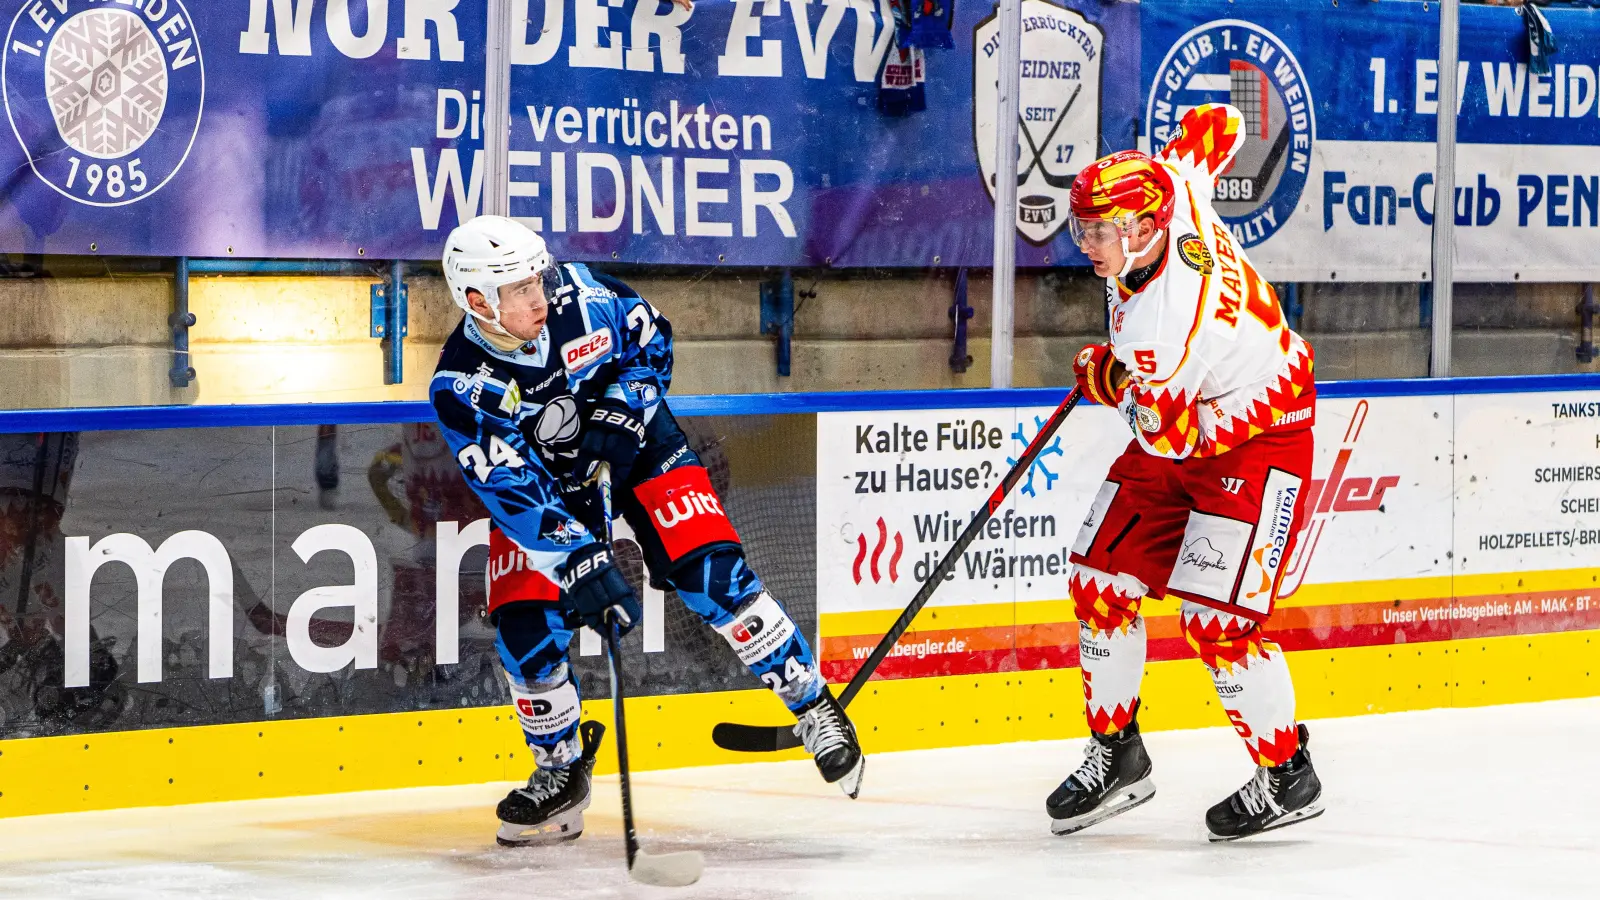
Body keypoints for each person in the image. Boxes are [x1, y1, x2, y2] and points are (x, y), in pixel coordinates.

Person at [430, 216, 865, 846]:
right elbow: (512, 490)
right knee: (525, 624)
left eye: (539, 279)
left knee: (711, 573)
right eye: (520, 289)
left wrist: (625, 404)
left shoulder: (587, 297)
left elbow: (654, 343)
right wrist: (578, 558)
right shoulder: (463, 386)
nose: (540, 297)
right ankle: (558, 773)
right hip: (557, 489)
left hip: (640, 443)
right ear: (477, 302)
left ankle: (815, 706)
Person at [1048, 104, 1323, 841]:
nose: (1088, 245)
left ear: (1142, 228)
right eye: (1085, 228)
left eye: (1100, 231)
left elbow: (1164, 438)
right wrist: (1179, 157)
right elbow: (1221, 121)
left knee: (1218, 623)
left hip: (1256, 431)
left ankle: (1288, 774)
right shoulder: (1173, 187)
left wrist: (1109, 380)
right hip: (1194, 404)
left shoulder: (1162, 326)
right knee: (1098, 580)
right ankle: (1118, 754)